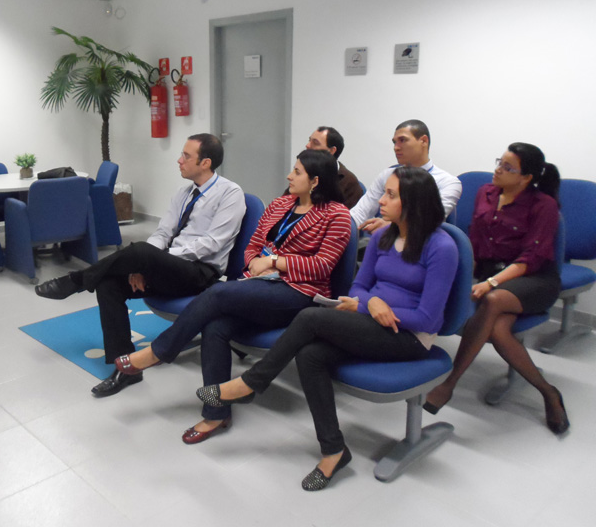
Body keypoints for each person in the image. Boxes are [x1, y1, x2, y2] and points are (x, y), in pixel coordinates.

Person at [197, 166, 458, 491]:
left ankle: (251, 383)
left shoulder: (441, 247)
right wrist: (370, 304)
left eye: (391, 195)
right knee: (310, 355)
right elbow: (358, 287)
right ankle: (334, 450)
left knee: (311, 318)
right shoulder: (382, 237)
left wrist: (370, 306)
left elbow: (429, 319)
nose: (381, 200)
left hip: (410, 338)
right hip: (370, 323)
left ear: (414, 202)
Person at [114, 149, 352, 443]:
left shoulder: (336, 215)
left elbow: (322, 266)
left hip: (298, 293)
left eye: (297, 172)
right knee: (215, 326)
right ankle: (216, 414)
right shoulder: (280, 204)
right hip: (261, 283)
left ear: (315, 181)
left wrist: (275, 262)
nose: (289, 176)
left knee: (217, 294)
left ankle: (159, 352)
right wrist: (256, 263)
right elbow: (253, 245)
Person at [35, 134, 246, 398]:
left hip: (201, 273)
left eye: (186, 156)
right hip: (169, 269)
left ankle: (76, 281)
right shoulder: (183, 193)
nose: (179, 160)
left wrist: (155, 259)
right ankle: (126, 370)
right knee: (109, 283)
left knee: (141, 251)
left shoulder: (230, 194)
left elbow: (212, 244)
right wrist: (147, 263)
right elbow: (163, 232)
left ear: (206, 163)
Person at [424, 143, 569, 434]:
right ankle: (549, 392)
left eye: (507, 167)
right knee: (500, 330)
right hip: (494, 276)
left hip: (535, 279)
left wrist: (491, 283)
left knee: (492, 301)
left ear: (526, 177)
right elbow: (475, 242)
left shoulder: (544, 205)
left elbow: (530, 259)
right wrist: (466, 278)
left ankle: (450, 383)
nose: (498, 170)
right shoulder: (486, 193)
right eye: (499, 162)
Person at [351, 119, 461, 233]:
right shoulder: (387, 175)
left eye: (402, 140)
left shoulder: (448, 182)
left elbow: (431, 220)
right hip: (380, 239)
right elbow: (360, 213)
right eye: (394, 142)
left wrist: (391, 226)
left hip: (422, 241)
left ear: (423, 141)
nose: (396, 147)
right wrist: (343, 223)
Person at [303, 127, 364, 208]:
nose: (307, 146)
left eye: (315, 143)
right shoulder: (303, 172)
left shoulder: (349, 182)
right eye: (309, 140)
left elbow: (347, 215)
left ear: (331, 151)